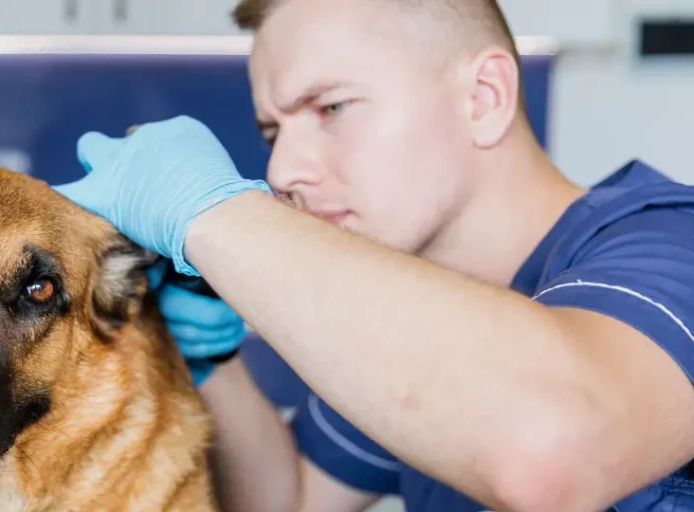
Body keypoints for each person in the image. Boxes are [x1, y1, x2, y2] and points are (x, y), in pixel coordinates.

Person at [52, 0, 694, 510]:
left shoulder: (669, 243)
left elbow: (551, 456)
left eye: (332, 107)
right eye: (272, 132)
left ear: (485, 97)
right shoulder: (402, 318)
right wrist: (210, 362)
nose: (282, 169)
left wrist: (207, 211)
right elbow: (290, 502)